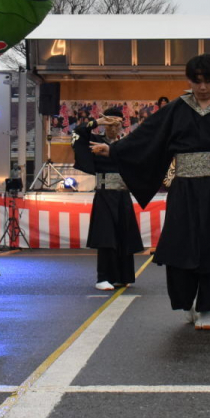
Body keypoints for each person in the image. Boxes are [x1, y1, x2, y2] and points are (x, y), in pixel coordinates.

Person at [96, 53, 210, 331]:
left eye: (207, 81)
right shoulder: (178, 108)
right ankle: (187, 302)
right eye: (196, 81)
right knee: (181, 244)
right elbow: (148, 134)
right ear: (189, 81)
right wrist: (114, 149)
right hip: (184, 188)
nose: (202, 87)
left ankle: (208, 308)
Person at [72, 106, 144, 291]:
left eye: (117, 122)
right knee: (106, 236)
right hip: (104, 194)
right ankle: (103, 277)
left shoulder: (126, 142)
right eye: (109, 122)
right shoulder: (94, 140)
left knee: (124, 236)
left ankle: (123, 276)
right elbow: (78, 132)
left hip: (123, 194)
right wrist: (98, 122)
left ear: (122, 125)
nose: (113, 126)